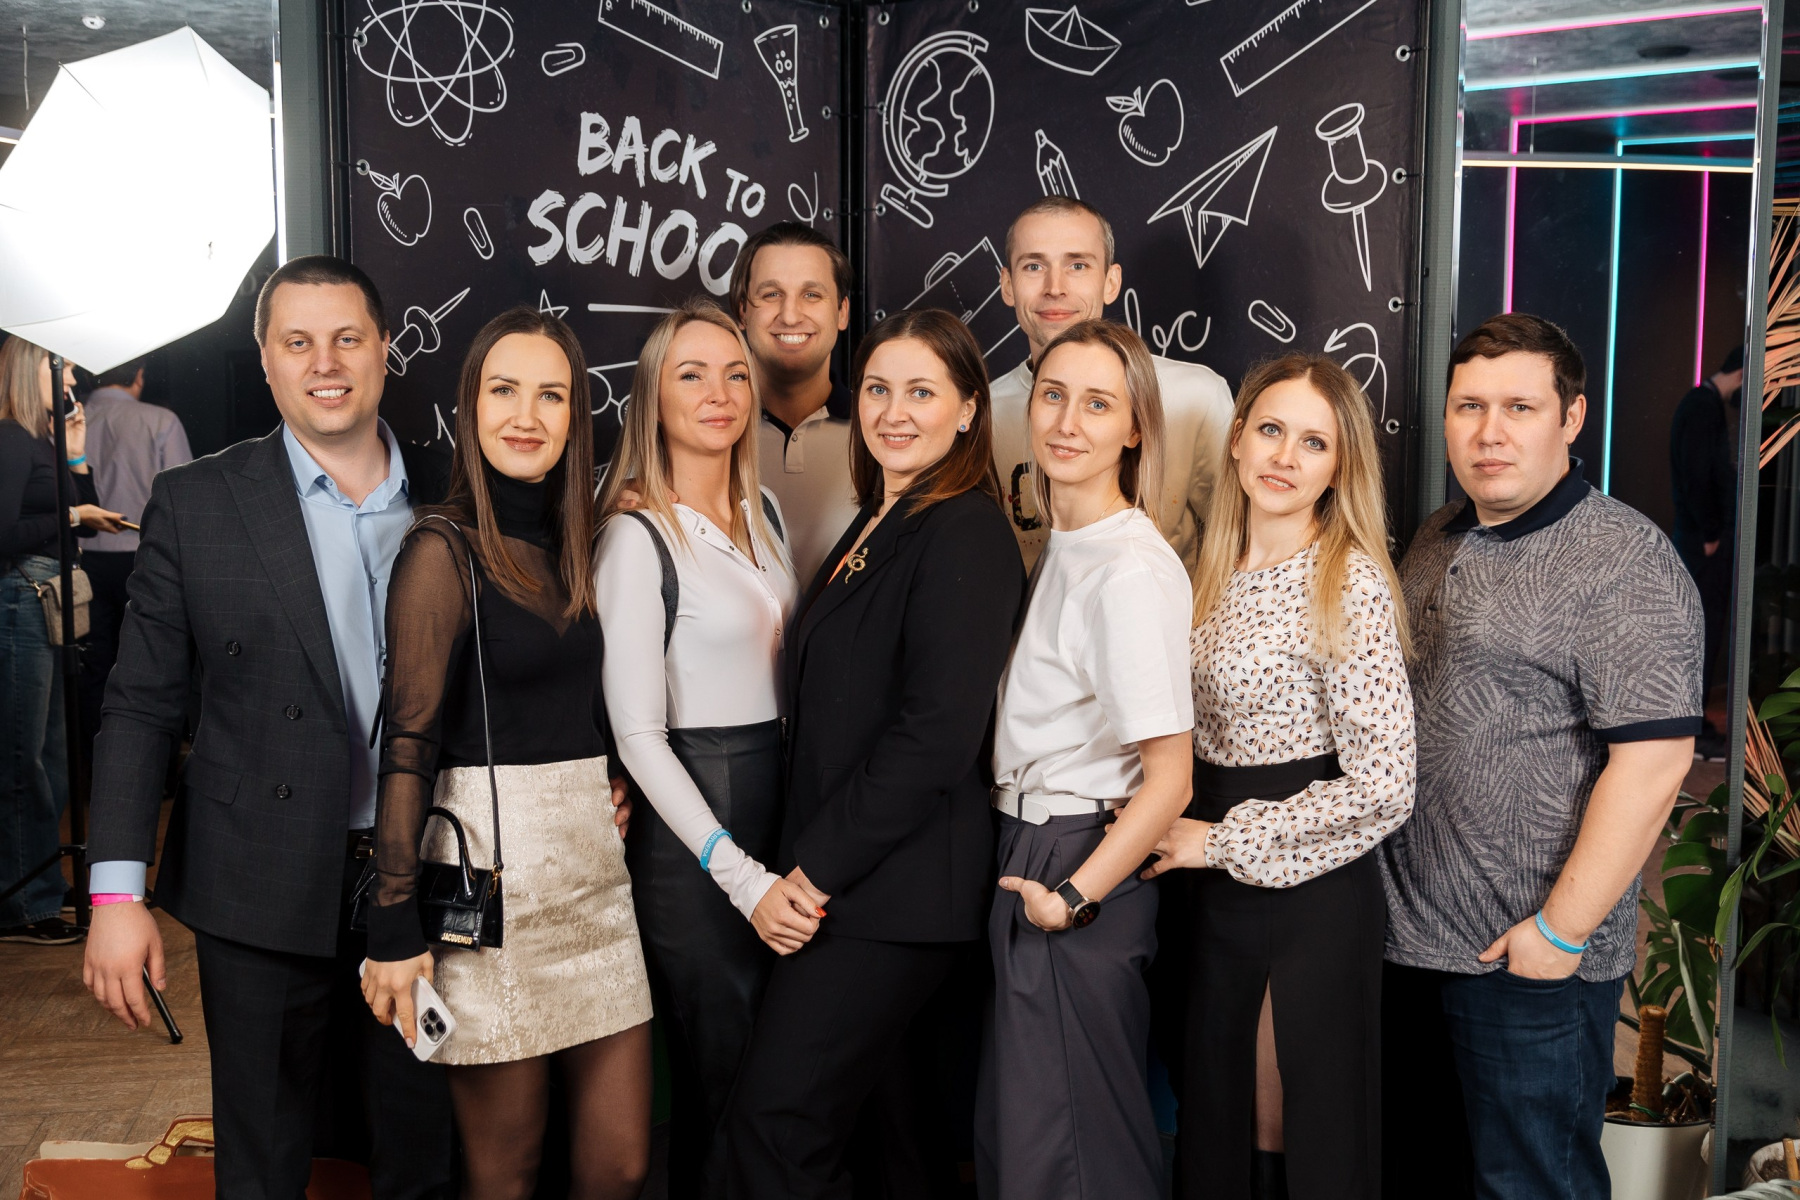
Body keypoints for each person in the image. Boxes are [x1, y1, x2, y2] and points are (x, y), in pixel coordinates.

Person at [80, 256, 494, 1200]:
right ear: (265, 361)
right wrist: (113, 896)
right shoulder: (198, 501)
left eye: (347, 338)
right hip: (255, 877)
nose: (325, 363)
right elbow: (139, 704)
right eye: (297, 342)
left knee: (424, 1156)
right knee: (264, 1162)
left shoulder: (460, 493)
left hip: (428, 877)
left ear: (384, 350)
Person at [1381, 313, 1702, 1200]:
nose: (1489, 432)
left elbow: (1655, 765)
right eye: (1469, 407)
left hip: (1525, 964)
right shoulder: (1439, 534)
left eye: (1519, 407)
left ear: (1571, 416)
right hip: (1409, 946)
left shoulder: (1624, 561)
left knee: (1531, 1186)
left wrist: (1557, 935)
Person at [727, 309, 1026, 1199]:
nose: (894, 412)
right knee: (895, 1148)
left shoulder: (965, 529)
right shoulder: (880, 518)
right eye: (878, 390)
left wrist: (813, 872)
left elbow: (935, 736)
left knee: (774, 1127)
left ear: (968, 411)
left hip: (890, 897)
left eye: (922, 392)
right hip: (863, 886)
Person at [361, 305, 654, 1200]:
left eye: (551, 395)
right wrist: (392, 925)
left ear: (576, 419)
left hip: (595, 884)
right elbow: (407, 744)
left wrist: (608, 780)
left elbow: (576, 702)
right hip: (489, 893)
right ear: (470, 406)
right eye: (504, 391)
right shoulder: (440, 548)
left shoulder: (583, 546)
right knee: (505, 1177)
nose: (526, 415)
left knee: (621, 1165)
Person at [1148, 354, 1415, 1200]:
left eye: (1314, 442)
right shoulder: (1203, 566)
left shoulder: (1348, 579)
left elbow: (1386, 783)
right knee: (1211, 1116)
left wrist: (1222, 842)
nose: (1285, 457)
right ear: (1235, 440)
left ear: (1340, 467)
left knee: (1283, 1134)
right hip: (1202, 881)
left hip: (1304, 888)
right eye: (1270, 430)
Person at [594, 300, 816, 1199]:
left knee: (770, 1082)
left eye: (734, 374)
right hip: (696, 842)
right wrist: (738, 873)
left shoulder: (766, 510)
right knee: (722, 1081)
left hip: (780, 811)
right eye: (691, 375)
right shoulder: (634, 535)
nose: (718, 393)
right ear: (653, 397)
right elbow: (638, 737)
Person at [975, 319, 1194, 1200]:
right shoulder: (1062, 542)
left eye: (1098, 404)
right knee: (1032, 1145)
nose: (1068, 422)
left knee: (1073, 1158)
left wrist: (1070, 899)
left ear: (1135, 427)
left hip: (1073, 860)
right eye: (1054, 395)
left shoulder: (1128, 570)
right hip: (1029, 846)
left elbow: (1170, 779)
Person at [990, 195, 1234, 574]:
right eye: (1034, 266)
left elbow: (1246, 540)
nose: (1055, 287)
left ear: (1111, 282)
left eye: (1077, 265)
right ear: (1008, 285)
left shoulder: (1196, 396)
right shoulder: (984, 412)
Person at [1, 337, 123, 944]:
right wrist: (74, 516)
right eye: (66, 367)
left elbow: (83, 523)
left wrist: (76, 458)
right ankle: (25, 905)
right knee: (23, 757)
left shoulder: (39, 440)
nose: (73, 380)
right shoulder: (9, 438)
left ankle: (43, 882)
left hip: (46, 598)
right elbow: (4, 533)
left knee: (51, 755)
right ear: (37, 369)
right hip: (20, 598)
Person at [76, 356, 192, 770]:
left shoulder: (73, 418)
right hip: (147, 557)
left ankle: (96, 771)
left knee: (94, 667)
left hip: (84, 560)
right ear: (138, 377)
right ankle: (158, 773)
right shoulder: (160, 419)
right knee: (156, 667)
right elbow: (184, 496)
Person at [733, 221, 858, 584]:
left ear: (842, 312)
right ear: (742, 312)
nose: (790, 315)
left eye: (812, 295)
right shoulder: (698, 430)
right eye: (772, 294)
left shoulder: (885, 434)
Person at [1669, 345, 1742, 762]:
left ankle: (1692, 726)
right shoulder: (1702, 408)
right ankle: (1690, 731)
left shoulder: (1703, 405)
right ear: (1743, 373)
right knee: (1701, 632)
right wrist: (1711, 533)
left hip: (1701, 539)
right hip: (1703, 543)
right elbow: (1698, 476)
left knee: (1701, 631)